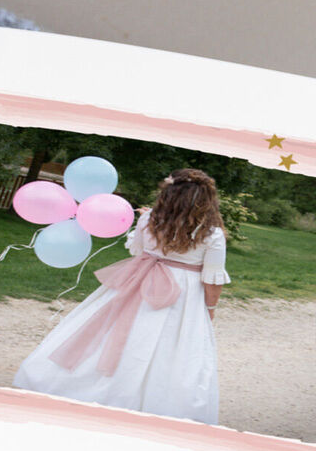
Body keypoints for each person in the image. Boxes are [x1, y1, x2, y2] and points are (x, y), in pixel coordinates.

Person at [13, 168, 228, 423]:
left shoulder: (149, 221)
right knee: (172, 347)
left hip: (138, 281)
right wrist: (209, 309)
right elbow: (212, 278)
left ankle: (83, 383)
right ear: (205, 200)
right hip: (182, 296)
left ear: (168, 194)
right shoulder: (211, 234)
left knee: (112, 333)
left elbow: (137, 250)